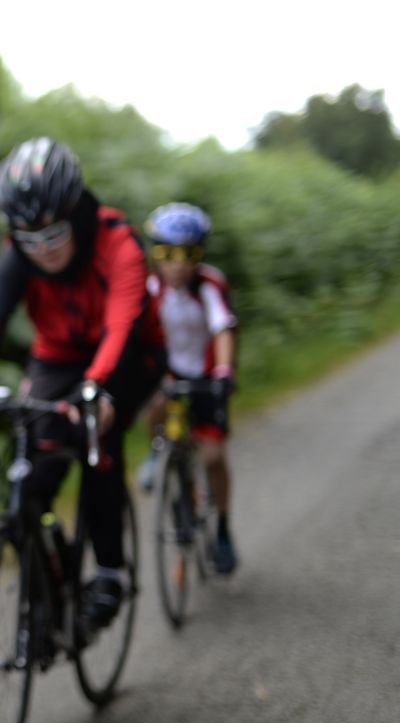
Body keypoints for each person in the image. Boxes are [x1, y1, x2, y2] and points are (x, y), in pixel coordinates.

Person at [0, 136, 165, 632]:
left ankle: (110, 572)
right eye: (29, 241)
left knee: (98, 439)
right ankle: (48, 583)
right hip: (59, 357)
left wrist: (97, 389)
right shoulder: (20, 251)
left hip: (129, 355)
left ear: (77, 213)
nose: (43, 252)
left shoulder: (118, 241)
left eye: (54, 236)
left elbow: (122, 327)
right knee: (33, 467)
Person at [136, 202, 240, 573]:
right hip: (169, 372)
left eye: (188, 254)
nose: (177, 263)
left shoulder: (210, 285)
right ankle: (156, 452)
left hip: (208, 375)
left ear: (200, 255)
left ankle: (224, 528)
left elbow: (222, 328)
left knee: (212, 456)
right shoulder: (148, 287)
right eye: (167, 254)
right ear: (155, 254)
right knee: (155, 405)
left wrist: (225, 371)